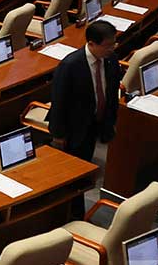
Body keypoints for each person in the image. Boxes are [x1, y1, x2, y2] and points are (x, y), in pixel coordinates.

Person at [49, 20, 120, 163]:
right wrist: (58, 134)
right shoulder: (70, 65)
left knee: (87, 157)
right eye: (107, 46)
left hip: (98, 119)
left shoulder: (111, 59)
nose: (112, 48)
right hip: (75, 126)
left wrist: (111, 120)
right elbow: (59, 101)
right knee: (72, 163)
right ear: (91, 43)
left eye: (114, 44)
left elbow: (111, 92)